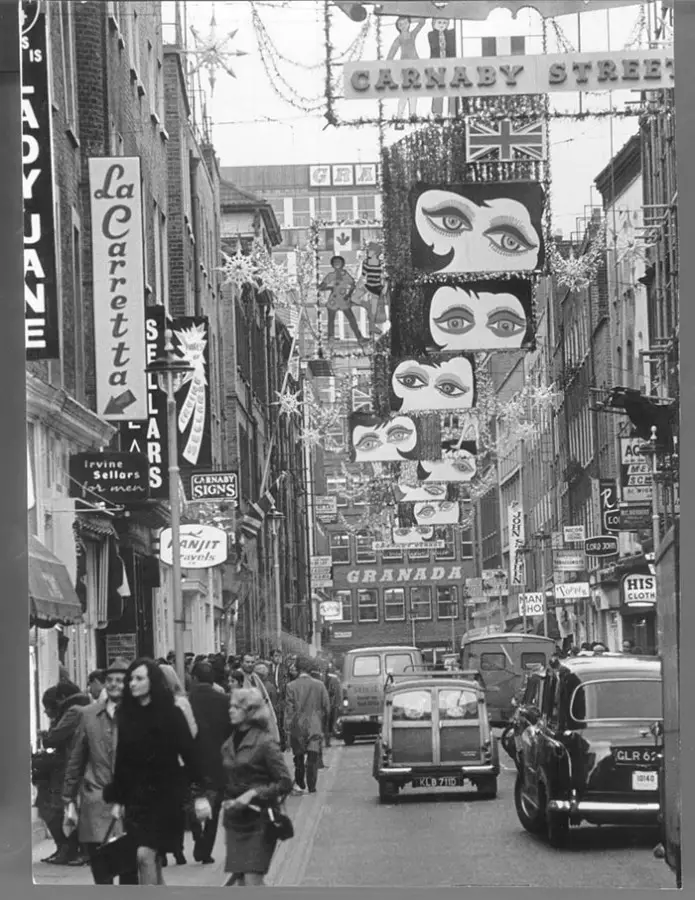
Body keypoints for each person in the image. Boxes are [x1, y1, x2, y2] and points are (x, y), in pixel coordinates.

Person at [103, 658, 212, 885]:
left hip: (165, 797)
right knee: (148, 858)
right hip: (136, 799)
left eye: (139, 678)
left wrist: (200, 794)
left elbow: (190, 752)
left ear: (152, 681)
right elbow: (123, 760)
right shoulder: (126, 716)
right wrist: (118, 799)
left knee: (145, 855)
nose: (132, 683)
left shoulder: (171, 713)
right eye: (130, 679)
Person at [61, 657, 138, 885]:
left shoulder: (140, 715)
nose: (114, 685)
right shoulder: (89, 715)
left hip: (130, 805)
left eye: (120, 681)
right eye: (110, 680)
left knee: (129, 874)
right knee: (101, 873)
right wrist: (68, 799)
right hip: (96, 800)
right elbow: (76, 759)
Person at [221, 688, 293, 887]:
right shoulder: (229, 742)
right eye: (231, 706)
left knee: (252, 880)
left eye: (237, 707)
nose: (231, 711)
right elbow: (227, 778)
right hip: (235, 822)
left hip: (260, 820)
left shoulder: (265, 742)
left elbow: (285, 781)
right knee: (242, 882)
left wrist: (253, 793)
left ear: (251, 711)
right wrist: (227, 799)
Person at [37, 681, 91, 865]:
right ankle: (72, 850)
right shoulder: (83, 707)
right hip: (74, 765)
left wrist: (45, 736)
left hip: (69, 765)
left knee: (60, 807)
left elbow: (54, 737)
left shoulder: (73, 711)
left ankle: (72, 850)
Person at [188, 660, 233, 866]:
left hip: (192, 761)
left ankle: (197, 836)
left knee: (192, 803)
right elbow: (231, 732)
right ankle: (205, 848)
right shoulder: (224, 700)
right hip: (217, 762)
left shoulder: (186, 701)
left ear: (194, 678)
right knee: (214, 807)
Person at [158, 663, 199, 866]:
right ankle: (176, 850)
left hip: (165, 764)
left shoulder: (168, 703)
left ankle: (167, 851)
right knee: (176, 809)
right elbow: (192, 732)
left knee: (164, 809)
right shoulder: (182, 703)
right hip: (177, 764)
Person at [284, 656, 330, 795]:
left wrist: (287, 729)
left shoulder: (291, 686)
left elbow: (289, 710)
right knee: (312, 756)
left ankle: (300, 781)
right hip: (315, 724)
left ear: (297, 669)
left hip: (297, 725)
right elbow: (327, 706)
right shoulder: (320, 685)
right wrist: (324, 723)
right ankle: (312, 785)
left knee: (298, 756)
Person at [317, 255, 367, 346]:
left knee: (351, 319)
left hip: (344, 299)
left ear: (343, 264)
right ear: (332, 264)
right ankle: (331, 338)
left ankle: (359, 337)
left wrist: (349, 295)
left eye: (339, 262)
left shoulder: (345, 274)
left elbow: (352, 285)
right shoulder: (330, 276)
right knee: (331, 320)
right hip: (334, 299)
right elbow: (321, 287)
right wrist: (329, 287)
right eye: (335, 262)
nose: (337, 263)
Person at [233, 653, 280, 741]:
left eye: (252, 662)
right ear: (241, 662)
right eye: (247, 662)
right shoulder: (237, 676)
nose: (250, 664)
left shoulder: (255, 676)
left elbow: (265, 698)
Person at [324, 664, 342, 749]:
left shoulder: (333, 680)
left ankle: (327, 740)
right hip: (327, 705)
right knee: (328, 723)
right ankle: (327, 740)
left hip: (331, 705)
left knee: (329, 723)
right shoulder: (331, 679)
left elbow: (336, 692)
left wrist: (337, 704)